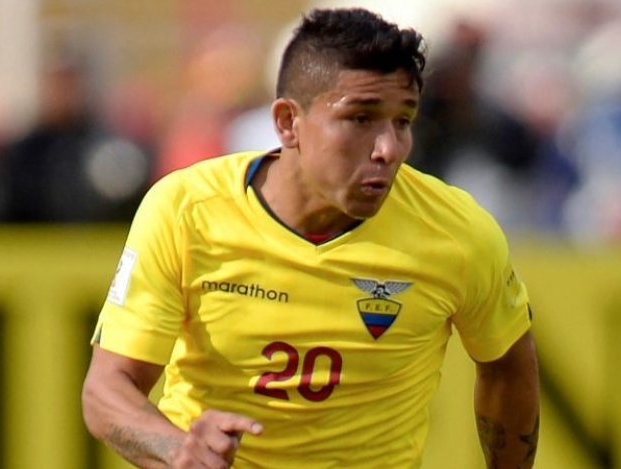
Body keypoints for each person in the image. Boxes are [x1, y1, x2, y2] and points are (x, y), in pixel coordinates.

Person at [82, 7, 540, 469]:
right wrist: (177, 450)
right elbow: (108, 388)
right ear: (287, 122)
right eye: (360, 119)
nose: (387, 148)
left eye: (403, 121)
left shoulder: (457, 232)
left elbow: (508, 364)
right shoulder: (186, 210)